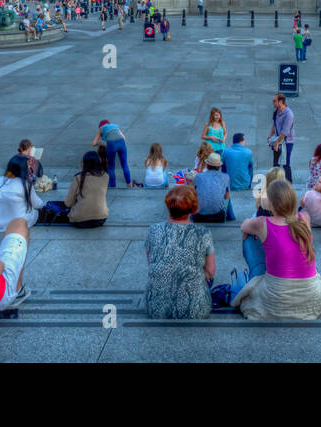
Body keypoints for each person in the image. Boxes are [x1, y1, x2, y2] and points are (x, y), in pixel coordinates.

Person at [235, 178, 321, 320]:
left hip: (277, 297)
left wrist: (256, 227)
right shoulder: (305, 218)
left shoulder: (262, 223)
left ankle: (256, 273)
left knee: (248, 237)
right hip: (309, 293)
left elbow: (244, 226)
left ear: (271, 203)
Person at [145, 185, 215, 319]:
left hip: (156, 308)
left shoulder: (153, 230)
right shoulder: (203, 233)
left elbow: (151, 262)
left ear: (168, 205)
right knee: (204, 274)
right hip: (194, 309)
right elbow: (211, 271)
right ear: (193, 208)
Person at [0, 154, 47, 229]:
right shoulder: (25, 183)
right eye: (28, 167)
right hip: (17, 224)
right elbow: (38, 204)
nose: (29, 168)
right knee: (34, 210)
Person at [62, 152, 109, 228]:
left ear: (84, 164)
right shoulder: (106, 176)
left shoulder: (78, 178)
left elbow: (68, 203)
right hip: (101, 219)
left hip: (80, 221)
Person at [190, 153, 231, 223]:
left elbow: (194, 194)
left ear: (207, 165)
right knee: (227, 197)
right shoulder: (226, 177)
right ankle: (230, 217)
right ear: (219, 166)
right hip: (218, 217)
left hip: (199, 216)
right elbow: (226, 196)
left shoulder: (199, 176)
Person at [93, 120, 132, 188]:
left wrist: (100, 142)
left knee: (111, 167)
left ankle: (113, 186)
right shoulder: (115, 126)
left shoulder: (101, 129)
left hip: (111, 144)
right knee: (124, 164)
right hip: (121, 143)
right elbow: (124, 138)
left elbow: (94, 143)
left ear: (100, 126)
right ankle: (129, 184)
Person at [269, 93, 295, 182]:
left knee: (285, 163)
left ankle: (289, 183)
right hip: (277, 139)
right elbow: (274, 124)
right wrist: (270, 135)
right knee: (275, 163)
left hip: (286, 142)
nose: (273, 103)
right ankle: (274, 182)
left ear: (281, 102)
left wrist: (276, 143)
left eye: (274, 101)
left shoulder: (289, 114)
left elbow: (285, 132)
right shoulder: (277, 111)